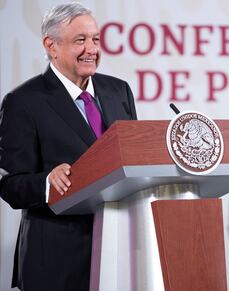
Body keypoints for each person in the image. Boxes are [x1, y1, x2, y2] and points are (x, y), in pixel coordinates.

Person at [0, 3, 137, 291]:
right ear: (51, 45)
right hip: (55, 262)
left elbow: (132, 159)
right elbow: (10, 184)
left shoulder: (119, 91)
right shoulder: (24, 101)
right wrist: (47, 182)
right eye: (80, 40)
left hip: (119, 254)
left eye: (96, 39)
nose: (92, 49)